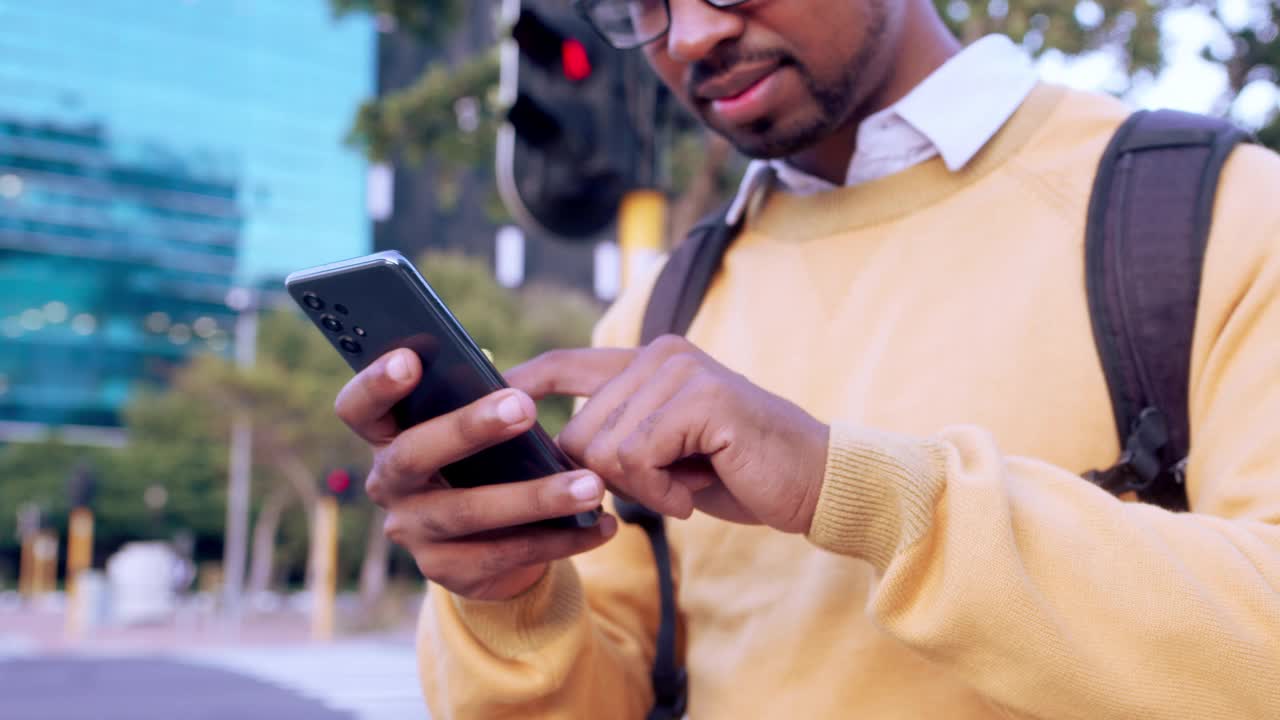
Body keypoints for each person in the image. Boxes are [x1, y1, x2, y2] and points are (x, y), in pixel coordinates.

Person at [334, 0, 1280, 717]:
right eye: (644, 6)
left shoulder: (1220, 213)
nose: (693, 36)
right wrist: (503, 599)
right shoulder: (660, 307)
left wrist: (847, 485)